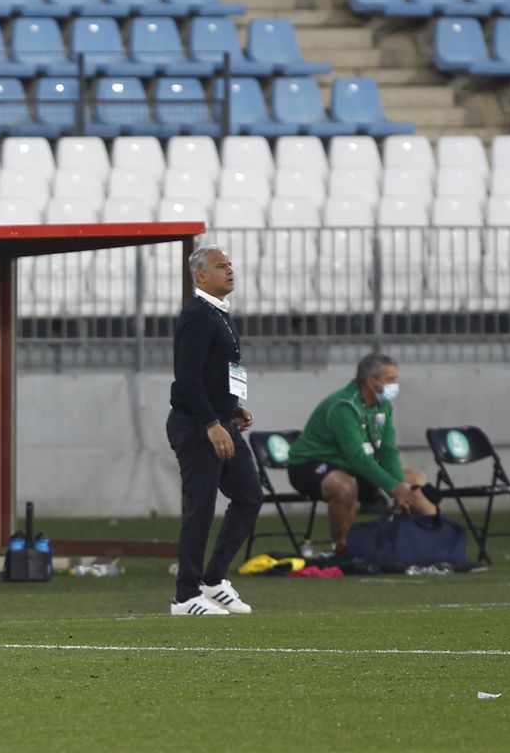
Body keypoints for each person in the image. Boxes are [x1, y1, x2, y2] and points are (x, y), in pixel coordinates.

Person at [165, 244, 260, 617]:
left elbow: (211, 373)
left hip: (220, 421)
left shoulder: (217, 313)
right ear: (200, 275)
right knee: (200, 510)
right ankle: (185, 596)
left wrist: (231, 408)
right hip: (198, 426)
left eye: (231, 265)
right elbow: (186, 379)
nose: (230, 270)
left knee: (249, 496)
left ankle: (213, 579)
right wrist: (211, 423)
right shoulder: (196, 316)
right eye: (221, 266)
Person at [288, 353, 438, 554]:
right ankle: (341, 549)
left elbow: (387, 450)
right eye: (390, 379)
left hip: (353, 467)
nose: (396, 385)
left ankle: (433, 542)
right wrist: (393, 488)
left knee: (415, 480)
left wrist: (401, 486)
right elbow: (357, 457)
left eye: (396, 379)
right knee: (345, 486)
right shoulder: (344, 406)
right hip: (310, 465)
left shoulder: (383, 406)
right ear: (370, 382)